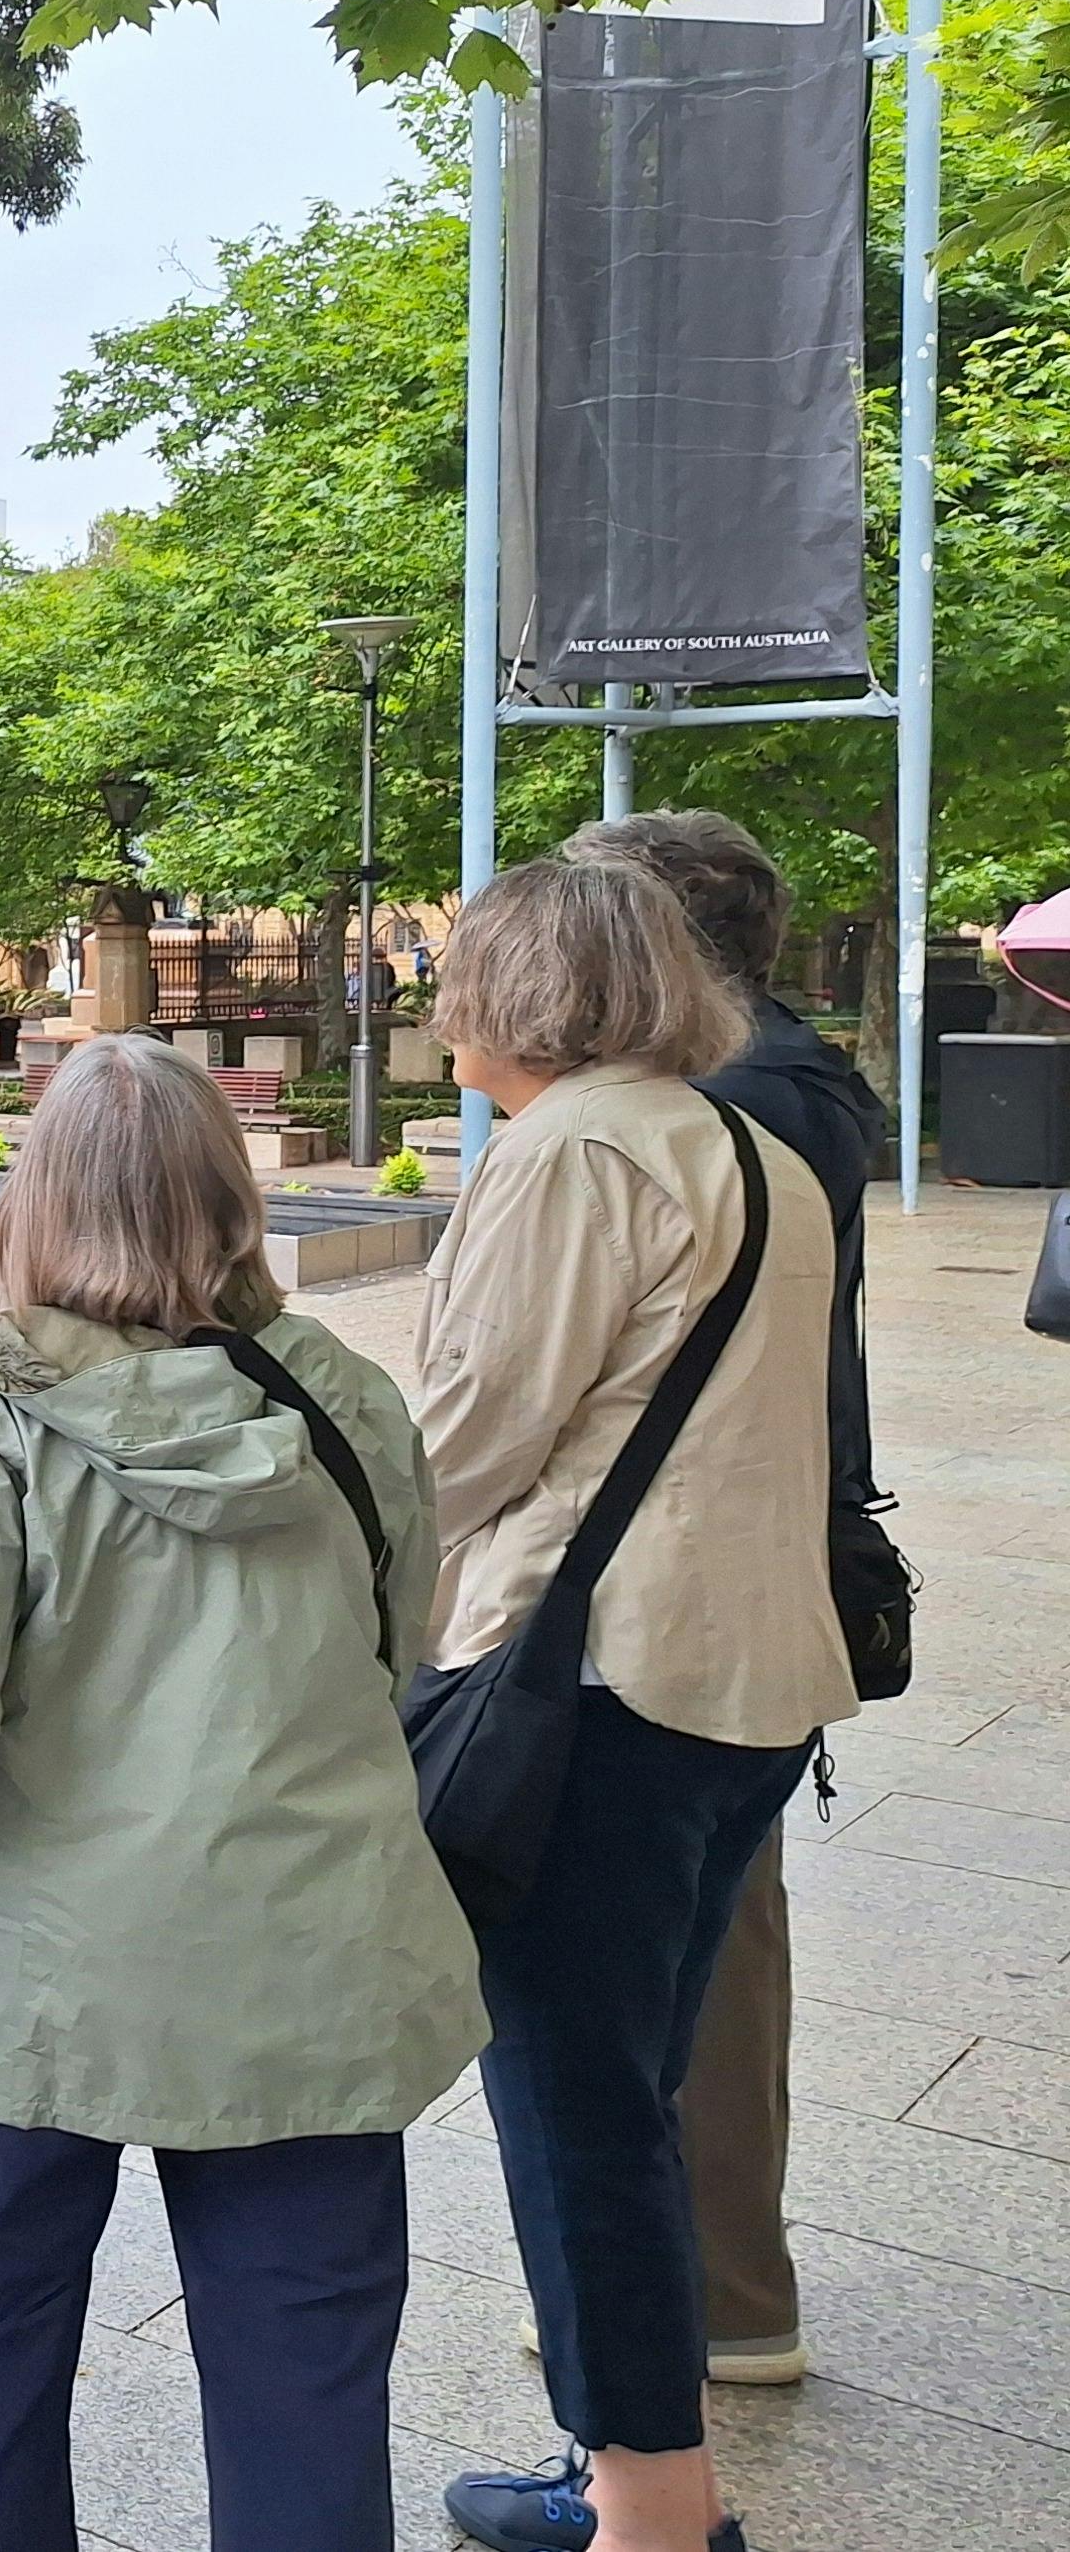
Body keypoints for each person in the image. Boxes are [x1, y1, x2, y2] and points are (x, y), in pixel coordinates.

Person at [0, 1035, 483, 2552]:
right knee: (307, 2385)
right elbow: (404, 1647)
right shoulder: (340, 1397)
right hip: (308, 1955)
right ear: (227, 1198)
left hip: (24, 1978)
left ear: (37, 1205)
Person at [416, 857, 851, 2552]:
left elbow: (469, 1438)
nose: (441, 998)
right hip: (751, 1681)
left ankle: (653, 2515)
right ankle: (630, 2473)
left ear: (522, 991)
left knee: (577, 2110)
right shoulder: (745, 1144)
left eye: (462, 969)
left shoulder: (578, 1149)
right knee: (637, 2096)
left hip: (608, 1686)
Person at [572, 812, 882, 2393]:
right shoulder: (801, 1077)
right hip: (756, 1557)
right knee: (709, 1929)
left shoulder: (719, 1102)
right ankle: (716, 2282)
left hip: (692, 1585)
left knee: (685, 1948)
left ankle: (711, 2299)